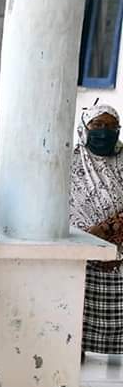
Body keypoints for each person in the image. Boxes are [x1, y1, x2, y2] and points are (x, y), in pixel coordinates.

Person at [69, 103, 123, 358]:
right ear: (85, 128)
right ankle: (74, 352)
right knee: (77, 310)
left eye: (112, 126)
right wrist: (91, 239)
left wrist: (109, 232)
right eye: (98, 125)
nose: (104, 131)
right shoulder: (69, 162)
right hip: (79, 254)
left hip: (120, 253)